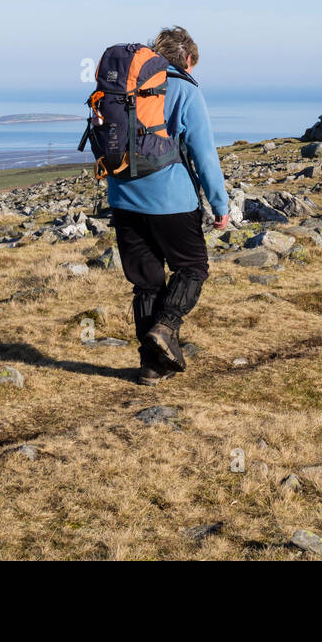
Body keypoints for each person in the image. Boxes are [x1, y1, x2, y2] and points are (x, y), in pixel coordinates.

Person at [107, 26, 231, 385]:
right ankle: (166, 326)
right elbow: (204, 154)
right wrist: (219, 205)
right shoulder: (185, 89)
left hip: (123, 198)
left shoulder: (125, 88)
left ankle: (150, 367)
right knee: (192, 268)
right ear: (189, 60)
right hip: (171, 200)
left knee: (146, 284)